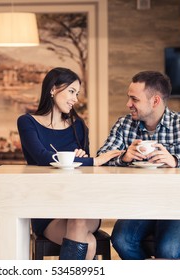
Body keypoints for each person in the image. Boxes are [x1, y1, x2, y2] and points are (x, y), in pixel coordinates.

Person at [97, 70, 180, 259]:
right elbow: (102, 157)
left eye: (134, 99)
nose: (128, 104)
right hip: (141, 205)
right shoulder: (124, 125)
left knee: (167, 250)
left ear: (155, 101)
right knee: (122, 240)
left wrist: (176, 160)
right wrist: (124, 157)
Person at [17, 67, 122, 260]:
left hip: (81, 203)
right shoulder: (27, 122)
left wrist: (83, 161)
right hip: (47, 208)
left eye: (77, 93)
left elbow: (86, 172)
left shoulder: (79, 126)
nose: (75, 99)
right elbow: (42, 157)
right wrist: (91, 161)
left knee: (79, 220)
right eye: (71, 92)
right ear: (53, 89)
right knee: (88, 243)